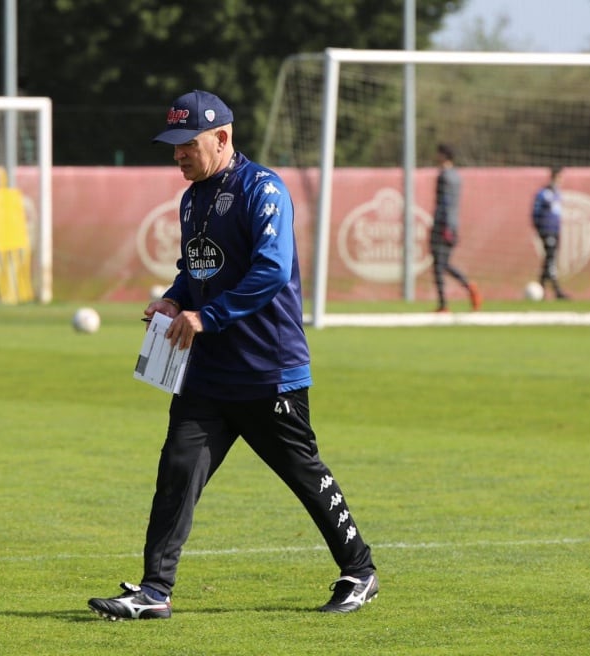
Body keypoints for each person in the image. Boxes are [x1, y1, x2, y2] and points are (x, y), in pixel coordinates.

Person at [87, 90, 378, 621]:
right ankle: (155, 591)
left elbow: (270, 268)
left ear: (222, 138)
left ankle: (359, 572)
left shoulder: (262, 189)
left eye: (187, 144)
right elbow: (196, 267)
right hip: (207, 376)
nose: (178, 155)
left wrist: (208, 317)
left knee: (304, 475)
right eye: (172, 145)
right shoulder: (192, 196)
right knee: (177, 470)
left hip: (269, 372)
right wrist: (176, 297)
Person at [429, 143, 481, 312]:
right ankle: (466, 288)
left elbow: (443, 204)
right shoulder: (457, 177)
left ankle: (445, 304)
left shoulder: (444, 176)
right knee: (443, 264)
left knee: (439, 266)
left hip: (443, 226)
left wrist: (441, 226)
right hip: (452, 224)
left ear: (444, 156)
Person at [531, 166, 570, 300]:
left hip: (555, 231)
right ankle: (557, 290)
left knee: (549, 259)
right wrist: (539, 228)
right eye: (560, 177)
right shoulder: (544, 193)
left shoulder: (557, 193)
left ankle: (541, 289)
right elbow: (535, 212)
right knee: (550, 259)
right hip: (546, 231)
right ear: (554, 177)